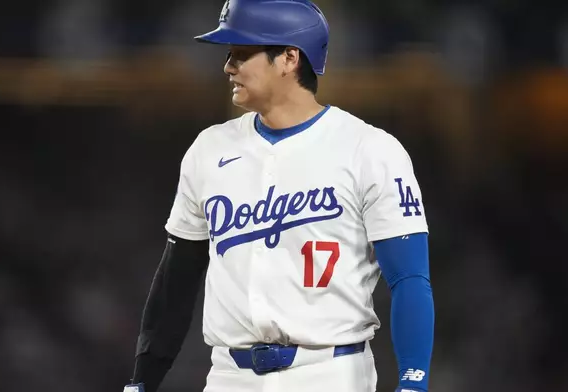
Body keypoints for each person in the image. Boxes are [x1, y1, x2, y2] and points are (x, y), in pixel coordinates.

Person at [123, 1, 435, 391]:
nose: (228, 66)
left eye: (242, 53)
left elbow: (408, 279)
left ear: (289, 58)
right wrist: (141, 382)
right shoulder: (209, 149)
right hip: (229, 376)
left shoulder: (369, 150)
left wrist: (412, 382)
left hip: (330, 373)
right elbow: (177, 278)